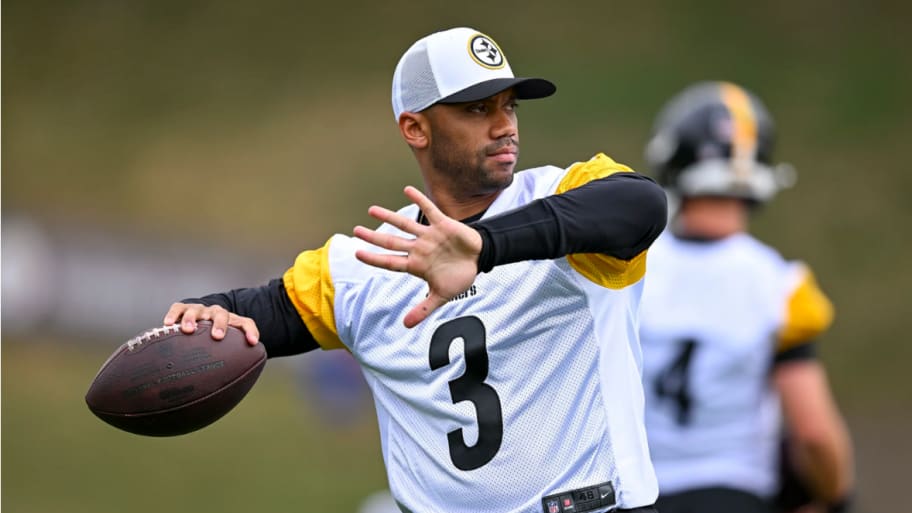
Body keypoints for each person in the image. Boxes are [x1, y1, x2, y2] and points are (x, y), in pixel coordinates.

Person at [161, 27, 667, 513]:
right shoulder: (366, 263)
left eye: (509, 105)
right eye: (477, 108)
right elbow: (267, 310)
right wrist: (212, 314)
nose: (505, 125)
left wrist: (483, 246)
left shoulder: (565, 199)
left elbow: (639, 203)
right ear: (415, 127)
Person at [637, 81, 855, 513]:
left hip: (639, 494)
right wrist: (838, 497)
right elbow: (813, 432)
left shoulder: (626, 270)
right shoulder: (778, 284)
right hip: (735, 492)